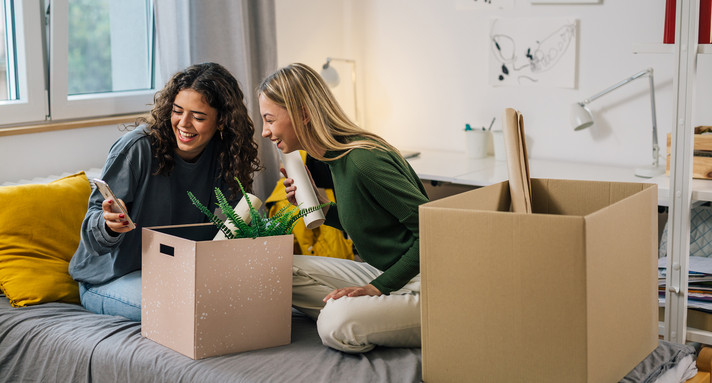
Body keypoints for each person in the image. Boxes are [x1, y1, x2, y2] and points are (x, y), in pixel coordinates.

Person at [257, 63, 429, 353]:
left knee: (334, 325)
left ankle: (362, 314)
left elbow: (435, 235)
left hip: (425, 282)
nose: (264, 132)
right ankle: (368, 313)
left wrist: (376, 289)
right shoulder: (335, 158)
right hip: (386, 272)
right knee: (275, 268)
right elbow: (365, 220)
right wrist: (320, 207)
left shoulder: (363, 162)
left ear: (303, 113)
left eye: (269, 120)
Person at [69, 62, 260, 321]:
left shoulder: (225, 155)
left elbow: (242, 220)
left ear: (222, 120)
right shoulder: (137, 148)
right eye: (177, 111)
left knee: (246, 303)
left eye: (199, 117)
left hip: (175, 274)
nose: (183, 123)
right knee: (190, 311)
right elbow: (93, 226)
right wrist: (109, 225)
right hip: (109, 278)